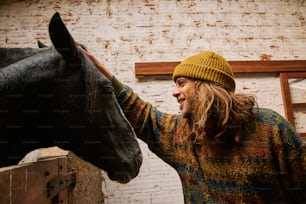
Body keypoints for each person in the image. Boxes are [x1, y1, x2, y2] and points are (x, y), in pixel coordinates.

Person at [80, 47, 306, 203]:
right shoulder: (181, 133)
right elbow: (143, 115)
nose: (174, 91)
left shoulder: (271, 128)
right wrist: (103, 74)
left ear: (207, 86)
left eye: (181, 83)